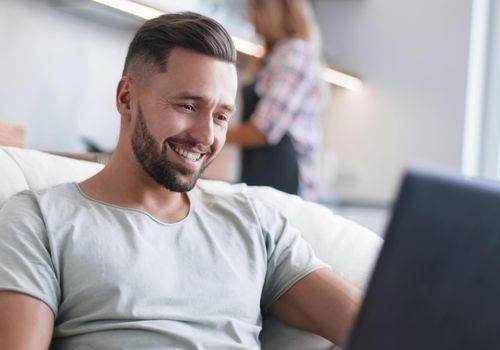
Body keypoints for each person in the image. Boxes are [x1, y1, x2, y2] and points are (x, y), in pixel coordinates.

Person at [0, 12, 361, 349]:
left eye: (221, 116)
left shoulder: (254, 223)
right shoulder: (39, 220)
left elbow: (380, 327)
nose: (206, 136)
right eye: (188, 106)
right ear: (127, 98)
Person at [226, 0, 324, 200]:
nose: (251, 19)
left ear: (272, 12)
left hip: (286, 181)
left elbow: (264, 130)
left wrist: (210, 135)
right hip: (261, 174)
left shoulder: (296, 53)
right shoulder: (272, 56)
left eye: (254, 11)